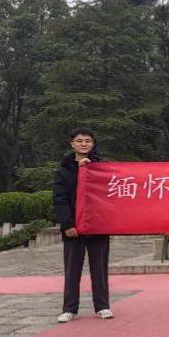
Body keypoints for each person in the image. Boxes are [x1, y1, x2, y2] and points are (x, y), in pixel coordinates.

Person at [52, 128, 111, 323]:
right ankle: (69, 308)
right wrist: (67, 224)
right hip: (73, 229)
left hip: (98, 227)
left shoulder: (102, 167)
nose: (83, 144)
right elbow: (59, 200)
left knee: (99, 269)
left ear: (93, 144)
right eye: (79, 141)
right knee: (72, 270)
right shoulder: (63, 171)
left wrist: (91, 169)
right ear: (72, 144)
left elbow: (109, 195)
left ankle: (102, 306)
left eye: (87, 141)